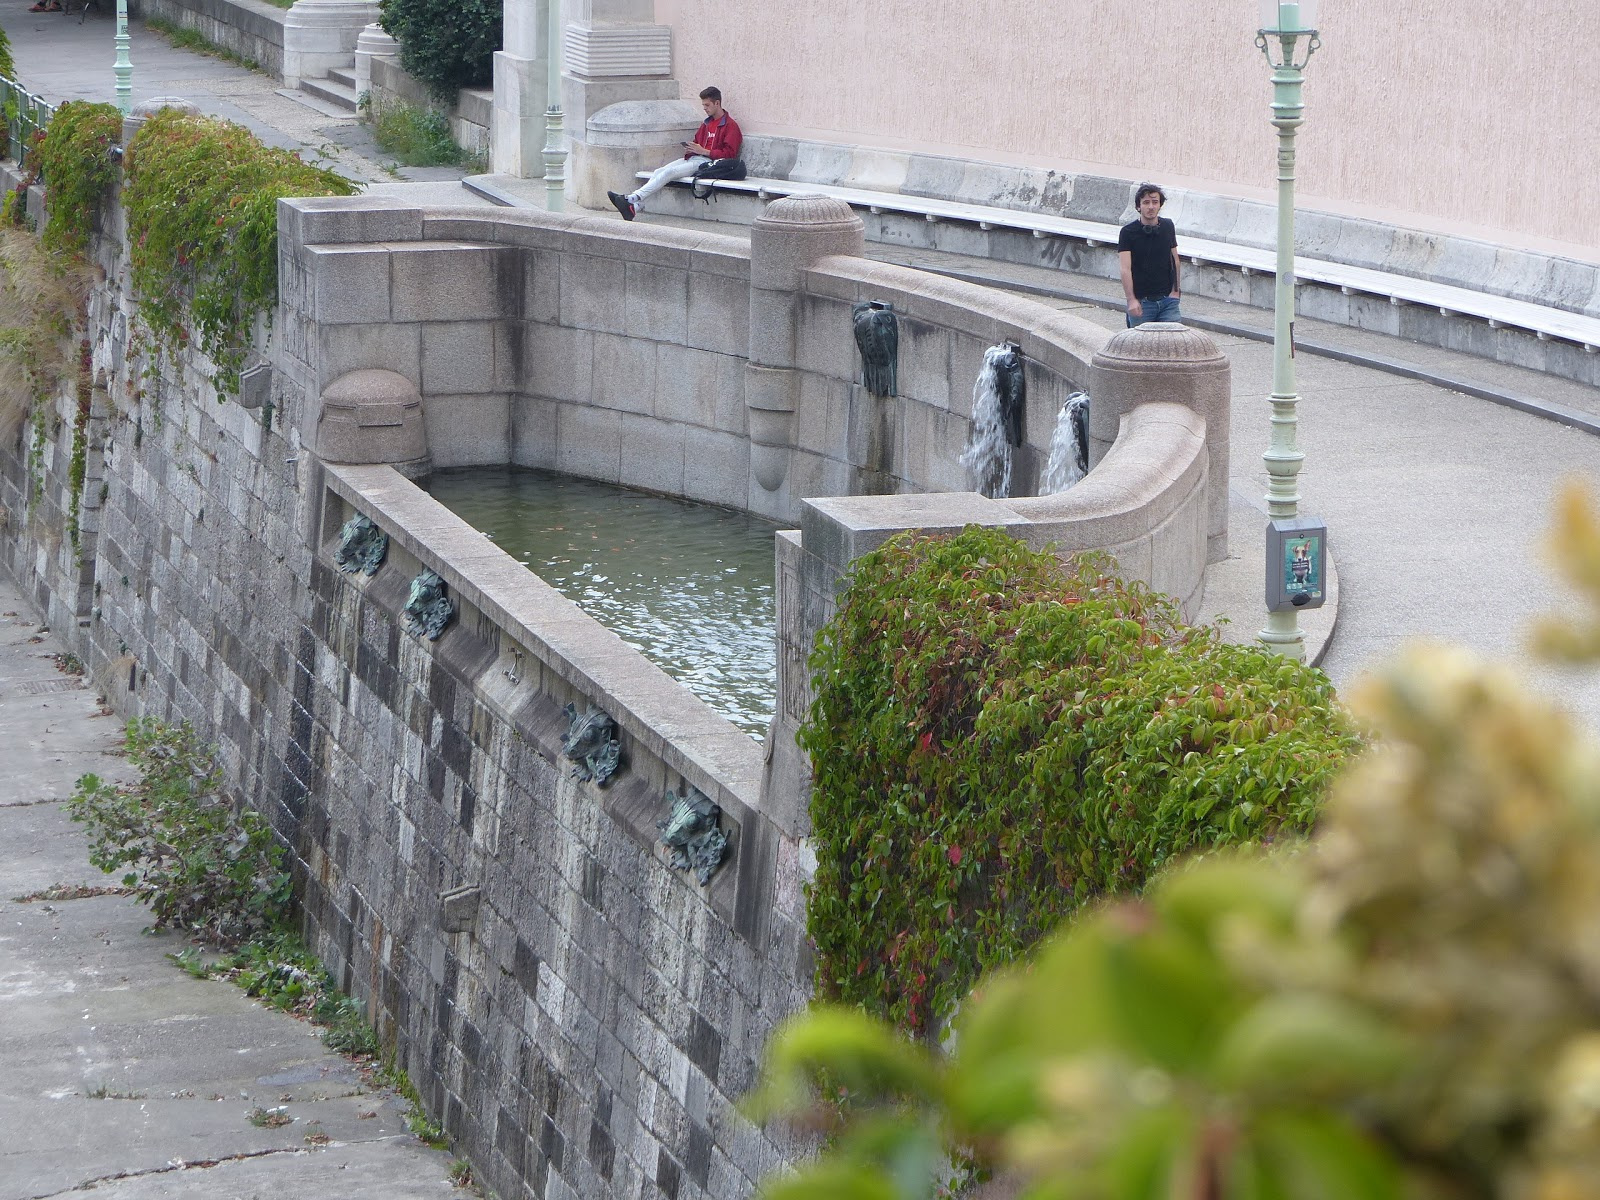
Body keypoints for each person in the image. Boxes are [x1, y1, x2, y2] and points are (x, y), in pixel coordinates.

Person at [607, 86, 742, 221]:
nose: (704, 108)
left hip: (707, 164)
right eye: (703, 105)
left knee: (668, 173)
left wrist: (705, 151)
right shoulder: (706, 123)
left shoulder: (730, 126)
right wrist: (691, 148)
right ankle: (634, 208)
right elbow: (697, 141)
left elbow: (730, 155)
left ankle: (631, 198)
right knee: (659, 171)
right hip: (694, 158)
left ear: (717, 103)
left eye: (707, 105)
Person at [1118, 183, 1182, 326]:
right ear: (1138, 206)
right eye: (1146, 202)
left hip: (1168, 301)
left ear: (1160, 205)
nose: (1151, 207)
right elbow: (1125, 269)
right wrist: (1131, 300)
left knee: (1172, 343)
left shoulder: (1168, 226)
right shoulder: (1128, 233)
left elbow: (1175, 260)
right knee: (1140, 346)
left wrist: (1176, 292)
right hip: (1142, 302)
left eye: (1155, 202)